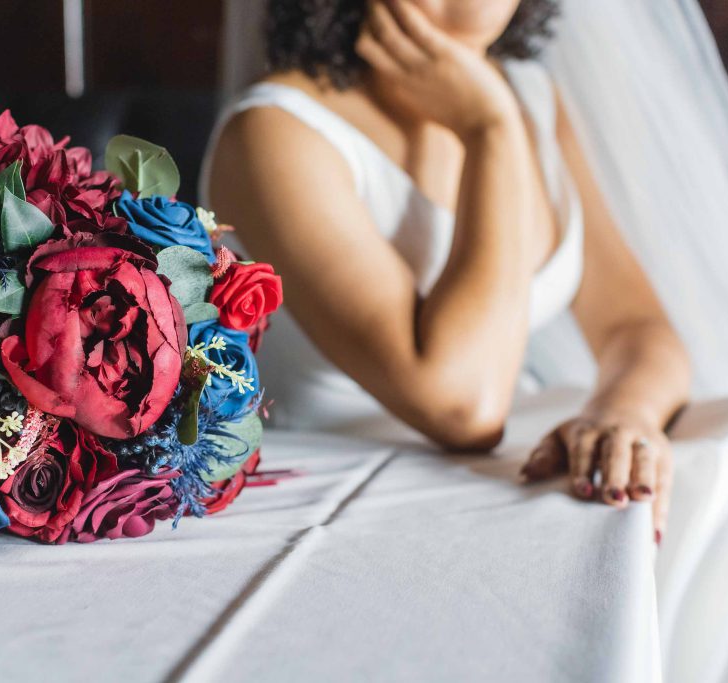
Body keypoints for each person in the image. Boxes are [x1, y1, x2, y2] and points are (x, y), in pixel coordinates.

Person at [200, 0, 691, 543]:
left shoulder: (532, 94)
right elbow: (465, 407)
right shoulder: (275, 131)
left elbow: (636, 324)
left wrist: (621, 414)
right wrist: (489, 129)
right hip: (341, 508)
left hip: (517, 471)